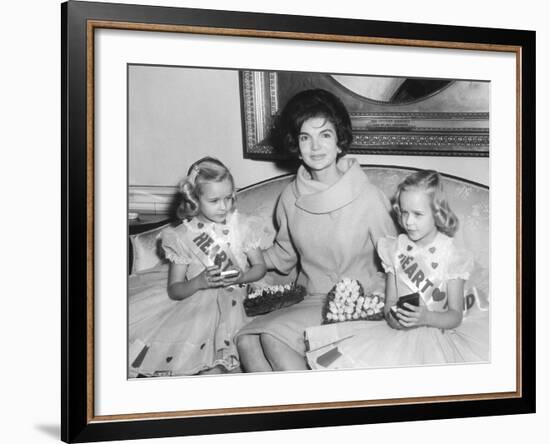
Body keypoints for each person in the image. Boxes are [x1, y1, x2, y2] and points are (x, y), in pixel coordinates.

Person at [236, 89, 397, 372]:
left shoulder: (369, 197)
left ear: (339, 142)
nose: (315, 146)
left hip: (355, 303)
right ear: (296, 146)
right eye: (305, 137)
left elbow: (396, 259)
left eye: (325, 135)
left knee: (272, 339)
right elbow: (284, 255)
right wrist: (239, 255)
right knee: (247, 340)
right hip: (310, 297)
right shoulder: (289, 197)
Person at [306, 170, 489, 369]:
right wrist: (393, 318)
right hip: (395, 334)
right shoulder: (394, 249)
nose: (408, 222)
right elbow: (390, 302)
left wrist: (426, 317)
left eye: (418, 214)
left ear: (437, 213)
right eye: (404, 212)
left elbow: (455, 315)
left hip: (437, 335)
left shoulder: (453, 256)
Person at [128, 157, 266, 377]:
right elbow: (175, 289)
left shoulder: (242, 225)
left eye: (229, 198)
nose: (224, 206)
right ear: (195, 199)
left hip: (240, 300)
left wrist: (243, 277)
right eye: (214, 200)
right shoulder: (182, 237)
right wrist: (199, 282)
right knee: (202, 367)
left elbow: (260, 267)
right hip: (197, 306)